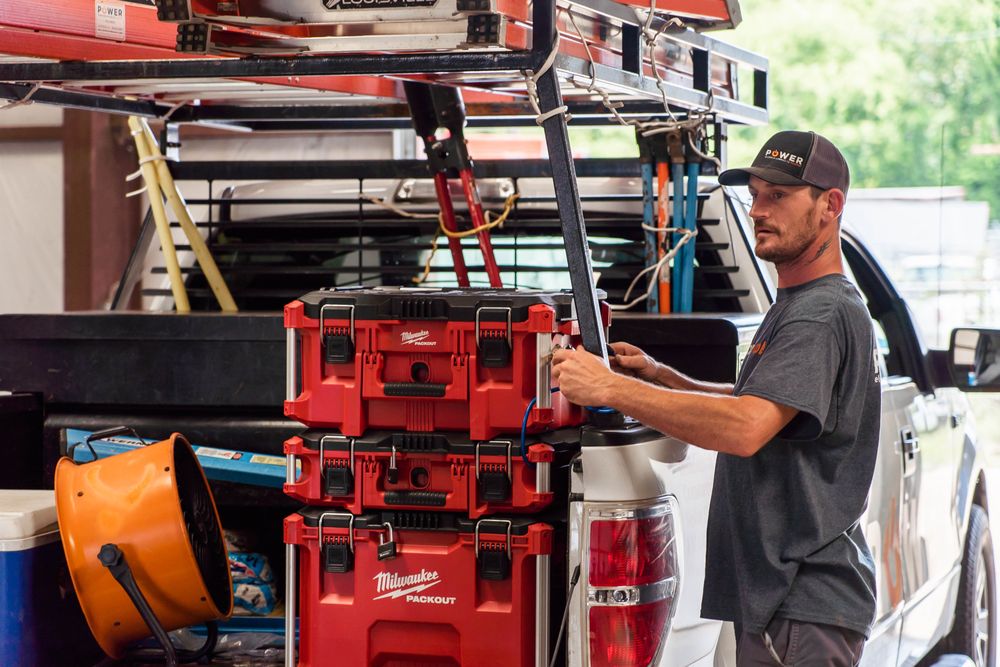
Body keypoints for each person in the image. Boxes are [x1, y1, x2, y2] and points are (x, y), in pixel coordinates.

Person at [552, 130, 880, 666]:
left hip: (800, 605)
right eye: (755, 195)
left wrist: (611, 388)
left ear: (831, 205)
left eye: (779, 196)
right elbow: (763, 404)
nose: (758, 211)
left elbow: (747, 427)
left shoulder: (819, 314)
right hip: (790, 607)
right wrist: (660, 375)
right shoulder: (801, 304)